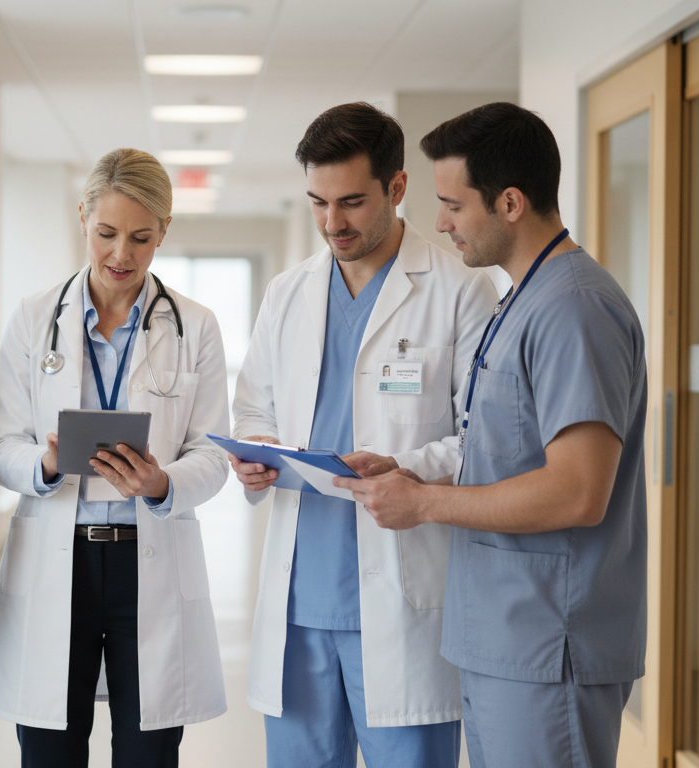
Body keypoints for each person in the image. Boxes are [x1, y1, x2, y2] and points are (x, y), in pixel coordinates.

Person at [334, 102, 647, 768]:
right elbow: (507, 451)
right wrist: (412, 472)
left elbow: (578, 491)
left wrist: (425, 504)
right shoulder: (520, 301)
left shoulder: (574, 308)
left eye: (453, 204)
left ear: (509, 203)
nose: (441, 221)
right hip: (501, 638)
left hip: (548, 641)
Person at [230, 102, 498, 768]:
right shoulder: (286, 293)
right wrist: (254, 456)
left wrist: (402, 467)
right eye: (318, 203)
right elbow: (255, 411)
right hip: (300, 601)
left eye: (351, 202)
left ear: (397, 187)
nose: (332, 223)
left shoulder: (461, 292)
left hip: (402, 595)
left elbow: (484, 440)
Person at [0, 148, 229, 768]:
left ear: (163, 231)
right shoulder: (34, 319)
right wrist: (44, 465)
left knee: (148, 752)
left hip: (149, 557)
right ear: (83, 216)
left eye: (141, 238)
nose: (122, 254)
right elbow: (2, 446)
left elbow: (213, 454)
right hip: (60, 558)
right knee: (49, 751)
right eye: (107, 233)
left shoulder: (195, 326)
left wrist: (163, 482)